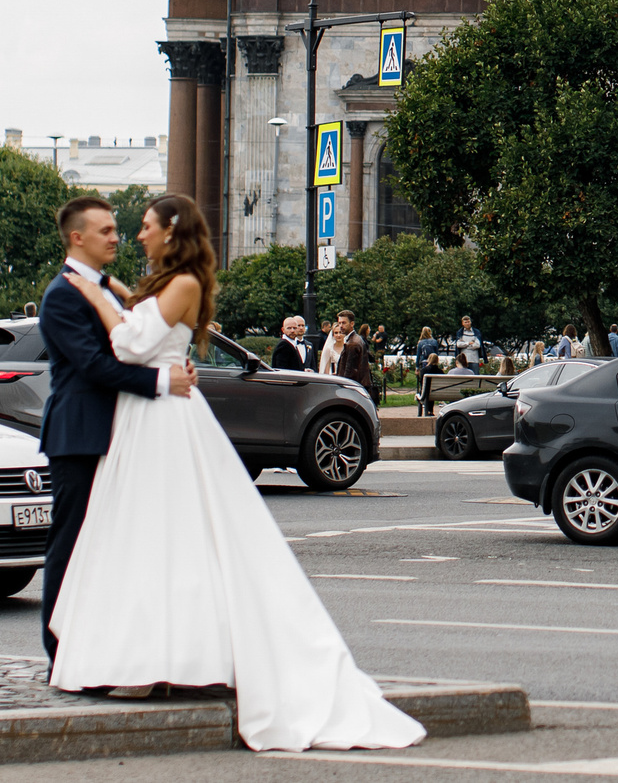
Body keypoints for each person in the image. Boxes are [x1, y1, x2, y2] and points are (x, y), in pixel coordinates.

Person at [46, 193, 421, 751]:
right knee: (139, 537)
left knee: (167, 533)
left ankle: (168, 655)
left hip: (163, 418)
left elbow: (127, 341)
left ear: (171, 232)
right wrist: (111, 296)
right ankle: (148, 653)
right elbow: (134, 335)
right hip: (146, 416)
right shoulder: (154, 284)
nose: (134, 234)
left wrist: (98, 297)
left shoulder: (181, 284)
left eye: (145, 226)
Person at [36, 196, 198, 670]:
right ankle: (59, 651)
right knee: (72, 544)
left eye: (116, 229)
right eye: (105, 230)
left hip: (126, 430)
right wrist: (163, 380)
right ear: (77, 237)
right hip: (81, 434)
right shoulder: (63, 294)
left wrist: (169, 363)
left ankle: (103, 646)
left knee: (113, 545)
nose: (116, 237)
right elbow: (92, 365)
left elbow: (138, 342)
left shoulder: (108, 287)